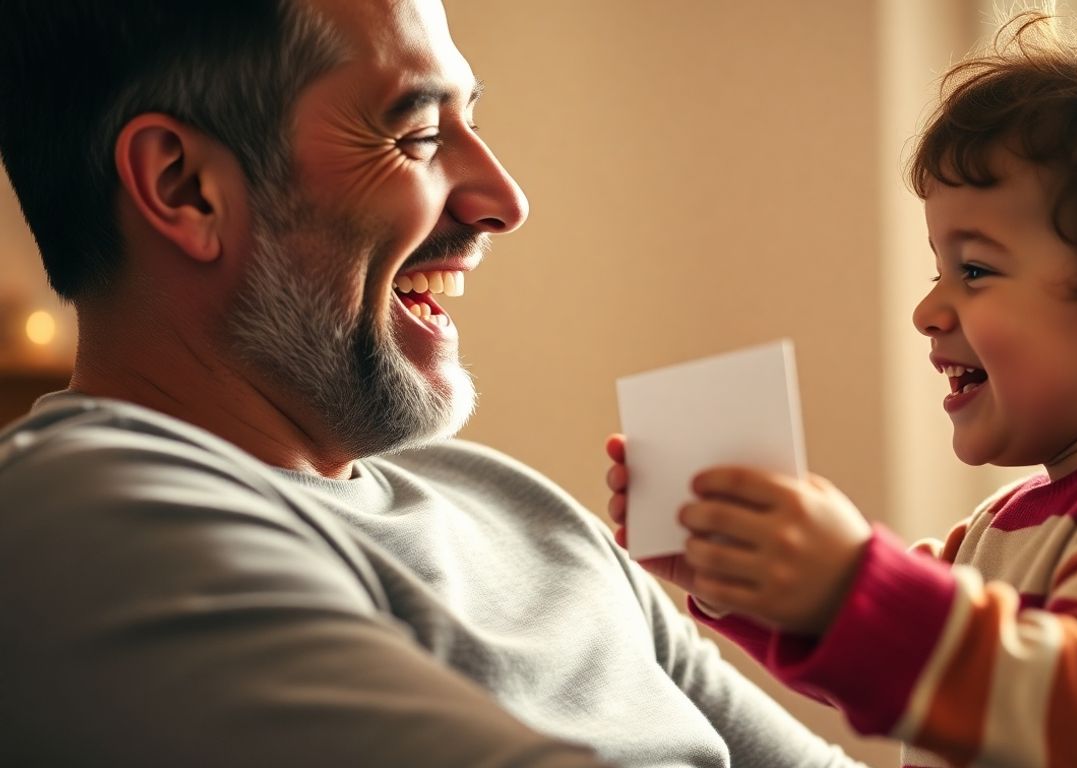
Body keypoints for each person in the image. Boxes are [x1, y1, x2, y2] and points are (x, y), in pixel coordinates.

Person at [0, 2, 865, 767]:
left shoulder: (519, 509)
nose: (504, 199)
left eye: (472, 121)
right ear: (184, 188)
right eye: (416, 135)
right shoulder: (77, 520)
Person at [606, 11, 1077, 767]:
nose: (927, 311)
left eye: (974, 270)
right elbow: (907, 664)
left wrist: (845, 584)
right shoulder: (1009, 522)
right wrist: (751, 580)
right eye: (940, 270)